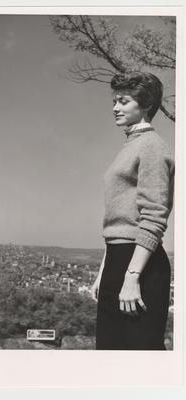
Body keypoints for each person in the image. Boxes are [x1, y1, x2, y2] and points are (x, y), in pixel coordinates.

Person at [91, 72, 174, 350]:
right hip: (117, 260)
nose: (115, 107)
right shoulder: (130, 146)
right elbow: (119, 220)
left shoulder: (152, 147)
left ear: (146, 104)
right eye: (115, 101)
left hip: (141, 266)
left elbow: (154, 217)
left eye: (124, 101)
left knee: (139, 361)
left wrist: (131, 277)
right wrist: (104, 271)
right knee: (109, 357)